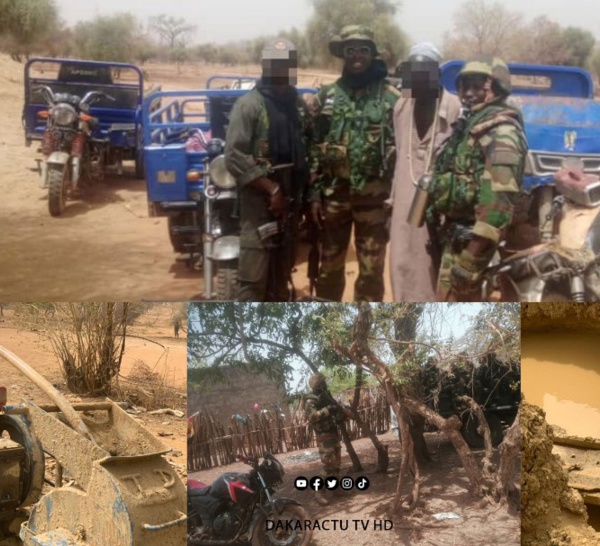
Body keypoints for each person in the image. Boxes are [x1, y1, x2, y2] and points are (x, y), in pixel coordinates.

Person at [308, 25, 401, 302]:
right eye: (350, 50)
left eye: (363, 50)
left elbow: (406, 147)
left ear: (372, 54)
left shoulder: (391, 97)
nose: (357, 56)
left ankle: (364, 328)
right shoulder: (326, 95)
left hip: (375, 199)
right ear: (343, 55)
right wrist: (313, 193)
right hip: (333, 197)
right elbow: (313, 144)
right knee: (328, 270)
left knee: (372, 272)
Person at [427, 56, 528, 301]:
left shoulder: (501, 132)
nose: (469, 94)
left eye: (477, 87)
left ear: (496, 89)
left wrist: (471, 262)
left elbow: (498, 206)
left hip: (473, 246)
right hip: (454, 238)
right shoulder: (471, 124)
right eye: (465, 87)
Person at [224, 38, 310, 301]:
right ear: (264, 66)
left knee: (281, 278)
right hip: (259, 207)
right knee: (252, 282)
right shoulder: (249, 105)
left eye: (287, 65)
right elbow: (234, 156)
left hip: (290, 208)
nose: (281, 70)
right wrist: (271, 189)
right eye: (275, 64)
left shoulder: (298, 106)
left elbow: (309, 149)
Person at [388, 43, 461, 302]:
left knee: (434, 267)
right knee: (401, 261)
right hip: (405, 202)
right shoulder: (401, 107)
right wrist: (393, 201)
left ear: (436, 74)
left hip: (440, 206)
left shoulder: (455, 109)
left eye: (424, 71)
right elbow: (399, 157)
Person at [304, 372, 353, 505]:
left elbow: (335, 412)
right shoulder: (311, 400)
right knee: (328, 464)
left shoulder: (326, 397)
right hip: (324, 436)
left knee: (336, 464)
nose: (326, 384)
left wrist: (341, 413)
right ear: (318, 385)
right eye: (323, 383)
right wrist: (328, 409)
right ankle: (318, 491)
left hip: (333, 433)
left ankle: (336, 489)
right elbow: (312, 417)